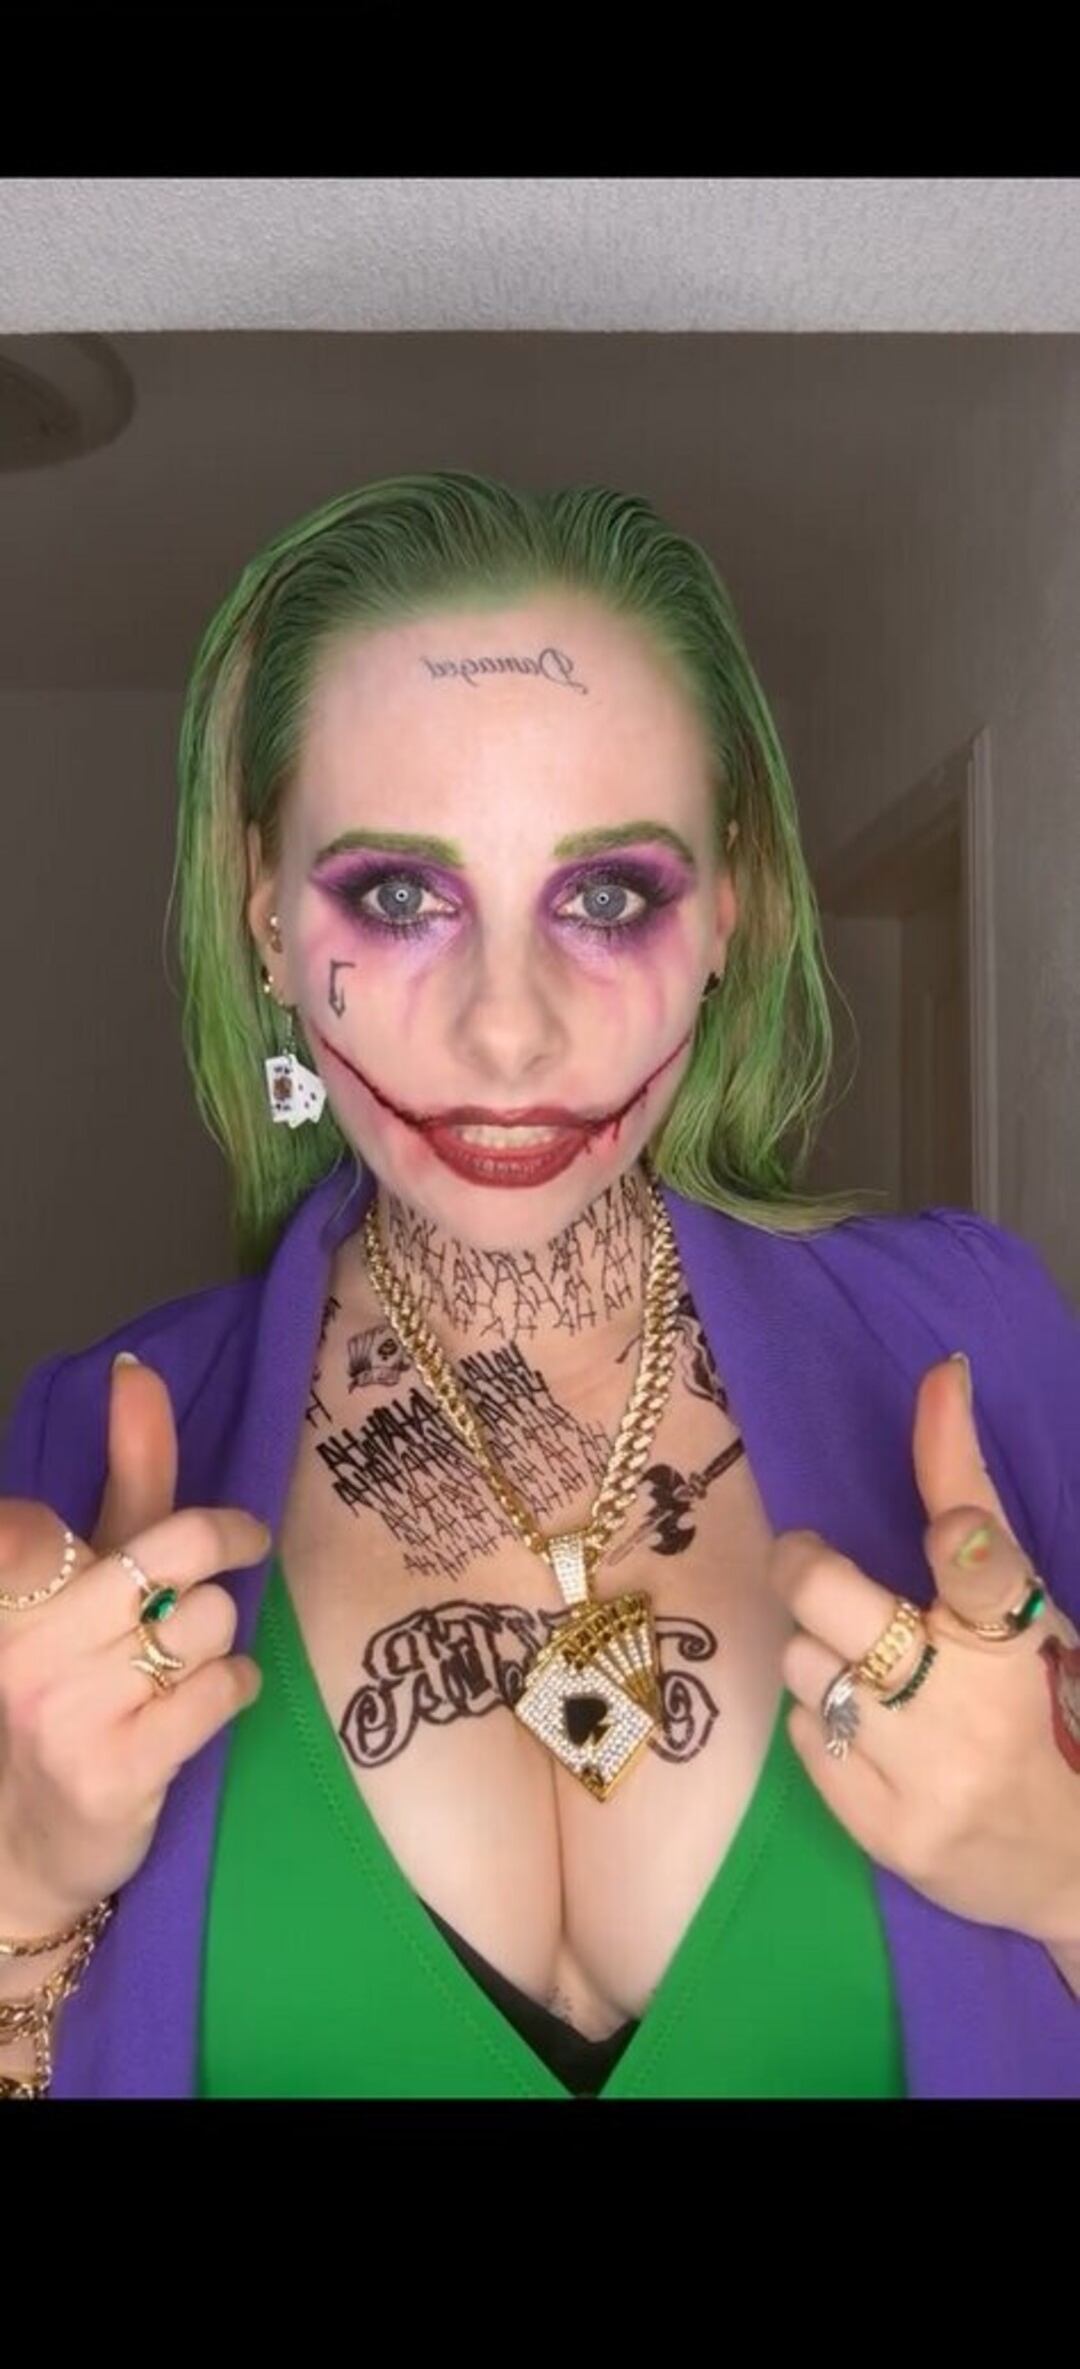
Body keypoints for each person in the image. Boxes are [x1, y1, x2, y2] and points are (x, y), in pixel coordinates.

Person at [1, 470, 1078, 2102]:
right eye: (398, 896)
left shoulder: (977, 1343)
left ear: (729, 909)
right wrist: (19, 1889)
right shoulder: (81, 1451)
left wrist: (1067, 1871)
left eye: (607, 895)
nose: (508, 1032)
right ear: (267, 917)